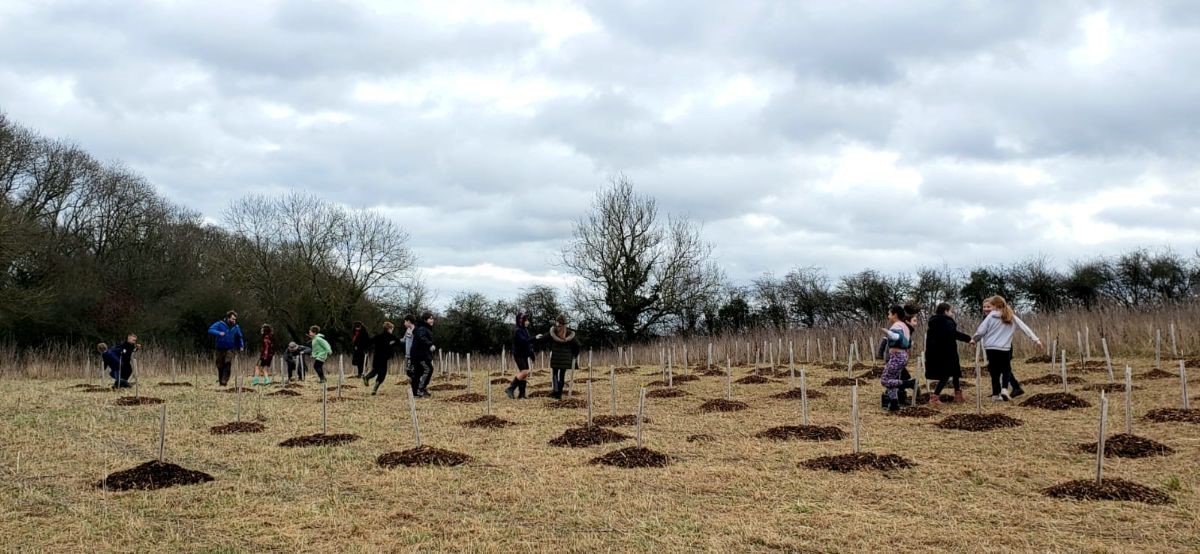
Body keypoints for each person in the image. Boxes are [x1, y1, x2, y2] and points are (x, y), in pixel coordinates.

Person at [971, 295, 1042, 401]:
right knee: (1006, 369)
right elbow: (1024, 328)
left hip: (990, 348)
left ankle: (995, 395)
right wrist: (1036, 340)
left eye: (990, 305)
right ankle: (1004, 389)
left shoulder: (991, 316)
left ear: (995, 305)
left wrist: (974, 339)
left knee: (994, 370)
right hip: (1004, 348)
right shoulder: (1011, 316)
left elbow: (981, 330)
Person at [925, 303, 972, 404]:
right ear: (945, 311)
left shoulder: (933, 322)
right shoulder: (946, 321)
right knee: (947, 374)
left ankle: (958, 395)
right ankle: (935, 397)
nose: (952, 313)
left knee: (953, 372)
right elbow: (953, 333)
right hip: (947, 352)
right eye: (951, 311)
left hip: (935, 352)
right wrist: (968, 339)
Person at [880, 305, 916, 412]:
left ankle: (909, 383)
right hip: (903, 356)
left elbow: (897, 337)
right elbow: (908, 343)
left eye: (889, 314)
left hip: (897, 356)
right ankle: (894, 405)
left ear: (895, 314)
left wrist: (887, 332)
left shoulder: (896, 325)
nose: (888, 316)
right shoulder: (905, 326)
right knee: (892, 380)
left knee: (885, 380)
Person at [538, 314, 580, 400]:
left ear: (557, 322)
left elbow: (543, 339)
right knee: (562, 376)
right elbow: (578, 345)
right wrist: (574, 355)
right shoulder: (570, 333)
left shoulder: (553, 331)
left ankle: (556, 391)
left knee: (554, 375)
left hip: (556, 358)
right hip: (566, 359)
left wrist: (536, 338)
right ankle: (559, 394)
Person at [208, 311, 244, 387]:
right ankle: (221, 381)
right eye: (232, 319)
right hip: (219, 348)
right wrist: (218, 333)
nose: (234, 321)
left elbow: (240, 337)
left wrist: (241, 346)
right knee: (220, 365)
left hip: (230, 348)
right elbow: (210, 330)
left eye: (235, 319)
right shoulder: (220, 324)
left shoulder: (236, 327)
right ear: (228, 318)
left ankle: (224, 381)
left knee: (227, 363)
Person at [363, 322, 399, 395]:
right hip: (384, 358)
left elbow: (369, 342)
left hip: (376, 357)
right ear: (389, 329)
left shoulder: (378, 336)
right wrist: (393, 343)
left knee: (375, 370)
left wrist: (366, 349)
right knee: (382, 374)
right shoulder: (391, 337)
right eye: (392, 329)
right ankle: (374, 389)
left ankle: (367, 377)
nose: (392, 330)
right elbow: (398, 342)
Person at [505, 312, 535, 400]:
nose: (528, 322)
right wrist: (534, 338)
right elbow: (524, 341)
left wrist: (531, 354)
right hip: (518, 355)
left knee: (525, 375)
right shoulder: (517, 331)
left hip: (524, 354)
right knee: (524, 372)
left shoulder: (525, 330)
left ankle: (522, 394)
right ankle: (510, 388)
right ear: (521, 321)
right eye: (526, 320)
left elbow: (528, 345)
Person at [408, 312, 437, 398]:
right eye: (430, 318)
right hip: (420, 355)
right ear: (425, 320)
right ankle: (420, 389)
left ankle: (416, 391)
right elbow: (422, 338)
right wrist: (430, 344)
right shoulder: (422, 329)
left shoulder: (425, 328)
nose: (432, 320)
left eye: (432, 318)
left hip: (420, 354)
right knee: (428, 369)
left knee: (418, 373)